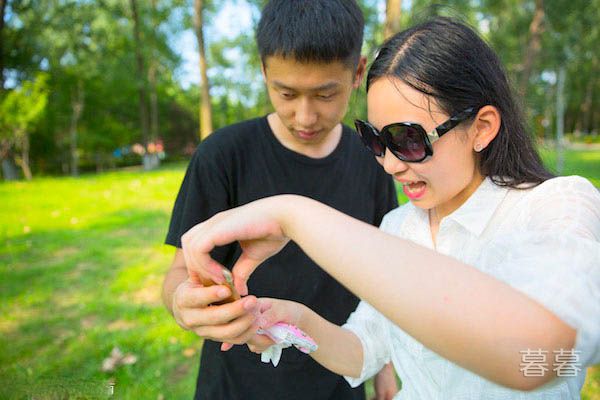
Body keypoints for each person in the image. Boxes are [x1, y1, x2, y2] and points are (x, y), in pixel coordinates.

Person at [181, 17, 600, 399]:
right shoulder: (399, 226)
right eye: (377, 140)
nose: (390, 164)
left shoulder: (555, 207)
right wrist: (289, 320)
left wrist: (295, 214)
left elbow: (540, 355)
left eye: (409, 139)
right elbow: (363, 351)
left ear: (482, 128)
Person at [162, 1, 400, 399]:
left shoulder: (374, 160)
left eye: (325, 94)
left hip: (339, 378)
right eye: (286, 93)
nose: (304, 116)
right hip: (236, 384)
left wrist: (385, 370)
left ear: (357, 72)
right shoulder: (223, 155)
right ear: (264, 71)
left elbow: (383, 281)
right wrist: (181, 302)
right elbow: (176, 275)